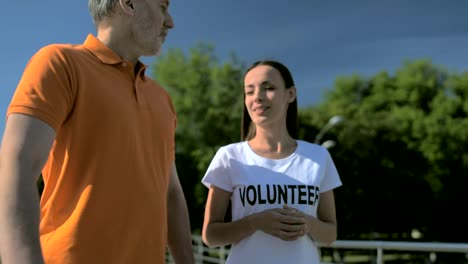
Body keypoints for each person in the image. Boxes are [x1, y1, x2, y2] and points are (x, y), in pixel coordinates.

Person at [0, 0, 194, 263]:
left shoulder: (162, 99)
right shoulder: (60, 63)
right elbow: (16, 167)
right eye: (162, 7)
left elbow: (170, 192)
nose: (170, 21)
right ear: (129, 4)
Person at [201, 60, 342, 264]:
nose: (257, 97)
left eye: (269, 88)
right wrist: (255, 222)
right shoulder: (229, 156)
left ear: (290, 94)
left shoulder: (318, 157)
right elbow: (210, 236)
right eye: (249, 91)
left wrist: (308, 224)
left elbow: (330, 234)